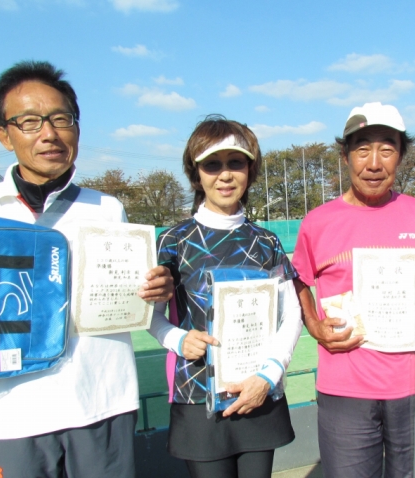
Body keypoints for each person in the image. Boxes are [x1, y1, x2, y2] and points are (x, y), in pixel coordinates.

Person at [0, 60, 173, 478]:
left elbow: (135, 298)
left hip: (103, 405)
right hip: (12, 415)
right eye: (30, 122)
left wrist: (156, 288)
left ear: (77, 129)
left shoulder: (108, 208)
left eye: (61, 119)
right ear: (5, 135)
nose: (49, 133)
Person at [290, 102, 415, 478]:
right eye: (362, 149)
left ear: (401, 156)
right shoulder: (317, 222)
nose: (374, 163)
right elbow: (299, 280)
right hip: (345, 389)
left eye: (387, 149)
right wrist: (314, 325)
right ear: (345, 156)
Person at [144, 115, 302, 478]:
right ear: (195, 173)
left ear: (250, 170)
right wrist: (177, 339)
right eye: (212, 165)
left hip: (258, 390)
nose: (225, 175)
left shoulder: (267, 242)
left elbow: (291, 314)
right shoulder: (173, 241)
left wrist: (268, 375)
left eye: (235, 163)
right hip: (197, 395)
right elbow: (151, 315)